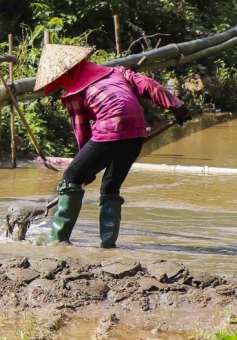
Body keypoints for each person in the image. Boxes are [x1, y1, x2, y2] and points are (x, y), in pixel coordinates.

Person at [34, 44, 192, 248]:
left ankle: (57, 240)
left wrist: (85, 170)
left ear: (65, 75)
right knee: (110, 187)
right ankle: (108, 245)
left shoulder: (75, 93)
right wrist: (176, 106)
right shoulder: (118, 72)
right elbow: (150, 85)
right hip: (136, 133)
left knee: (71, 178)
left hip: (109, 132)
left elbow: (82, 132)